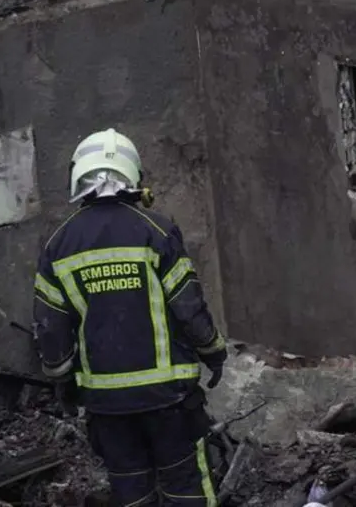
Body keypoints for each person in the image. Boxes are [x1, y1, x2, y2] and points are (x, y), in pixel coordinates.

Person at [32, 128, 228, 507]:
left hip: (107, 406)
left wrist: (61, 381)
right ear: (132, 175)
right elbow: (189, 307)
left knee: (132, 493)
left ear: (79, 177)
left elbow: (50, 329)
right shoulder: (156, 230)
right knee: (185, 489)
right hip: (168, 399)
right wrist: (213, 351)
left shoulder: (58, 244)